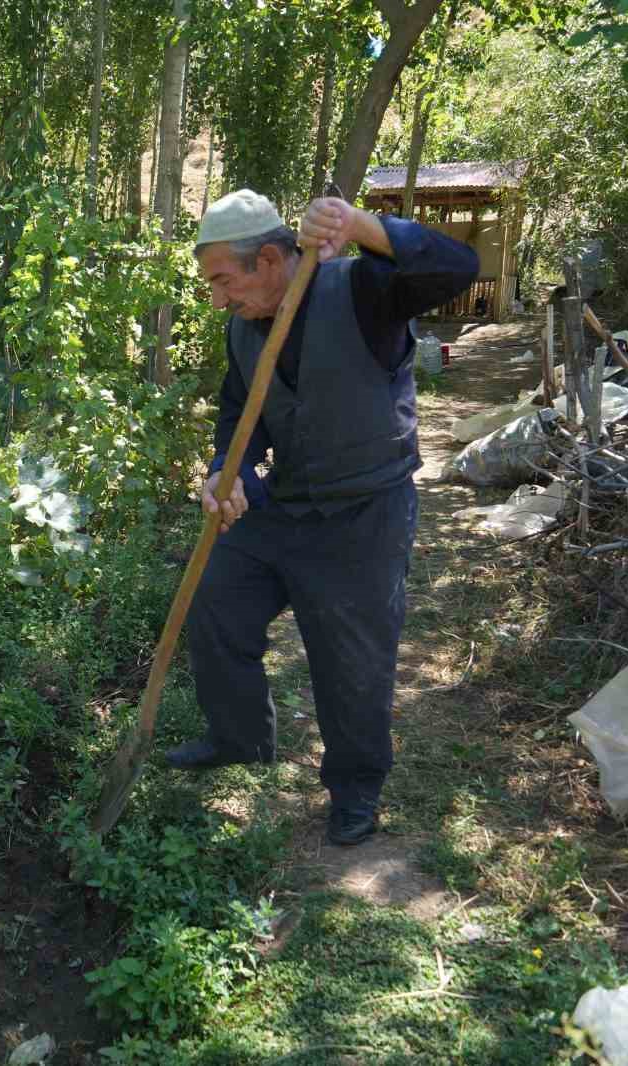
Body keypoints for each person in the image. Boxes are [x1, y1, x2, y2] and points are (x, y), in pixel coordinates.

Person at [169, 189, 477, 846]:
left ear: (273, 259)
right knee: (214, 596)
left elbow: (458, 268)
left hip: (365, 511)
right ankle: (240, 739)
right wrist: (231, 467)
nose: (219, 299)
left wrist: (361, 225)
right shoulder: (242, 326)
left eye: (225, 281)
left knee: (353, 660)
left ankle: (356, 789)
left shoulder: (361, 289)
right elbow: (238, 409)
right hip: (288, 503)